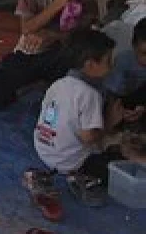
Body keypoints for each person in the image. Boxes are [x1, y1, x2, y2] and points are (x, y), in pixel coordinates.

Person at [27, 30, 127, 207]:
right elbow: (88, 138)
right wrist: (111, 121)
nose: (111, 67)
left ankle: (41, 174)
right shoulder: (89, 95)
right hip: (69, 160)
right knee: (115, 165)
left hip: (43, 149)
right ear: (89, 65)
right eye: (108, 61)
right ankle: (78, 177)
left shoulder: (58, 84)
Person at [104, 18, 146, 129]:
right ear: (134, 46)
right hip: (124, 100)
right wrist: (119, 111)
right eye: (144, 53)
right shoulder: (124, 61)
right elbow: (112, 93)